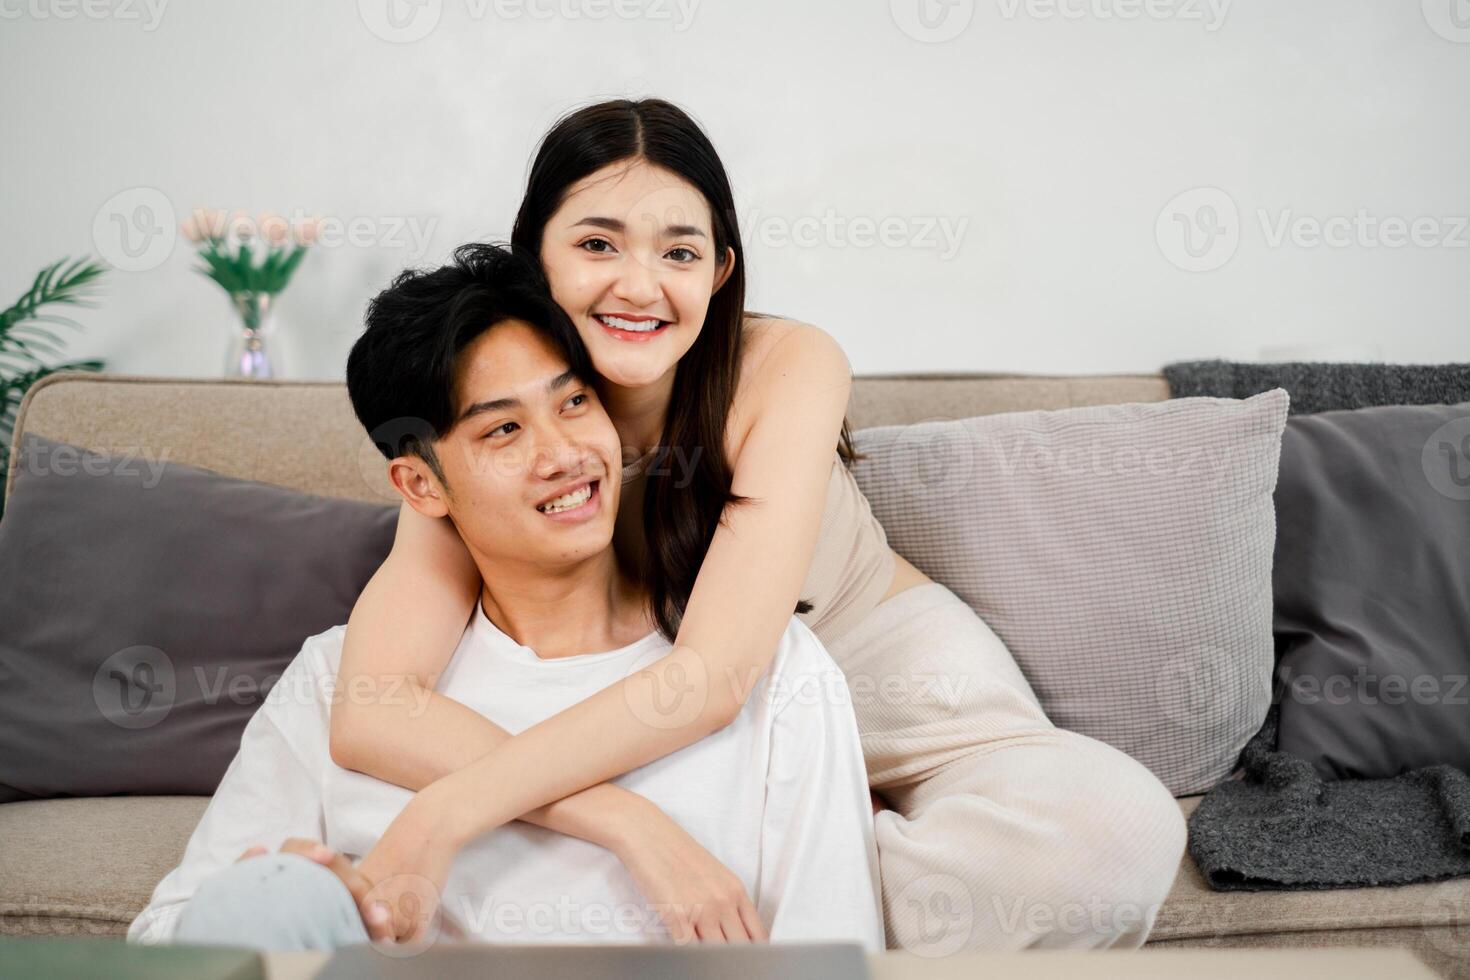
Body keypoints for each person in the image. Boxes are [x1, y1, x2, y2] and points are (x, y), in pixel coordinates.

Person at [331, 98, 1188, 951]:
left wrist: (447, 812)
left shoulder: (787, 364)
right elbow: (371, 708)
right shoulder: (487, 427)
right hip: (687, 738)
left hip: (884, 682)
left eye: (679, 252)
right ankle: (785, 877)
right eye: (597, 244)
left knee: (1111, 835)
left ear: (720, 270)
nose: (639, 285)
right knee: (626, 868)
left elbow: (709, 678)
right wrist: (627, 822)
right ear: (535, 258)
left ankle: (835, 865)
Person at [126, 244, 884, 952]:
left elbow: (834, 951)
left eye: (576, 403)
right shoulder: (338, 679)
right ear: (420, 485)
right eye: (504, 431)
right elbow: (168, 941)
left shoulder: (779, 677)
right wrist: (289, 902)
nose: (563, 455)